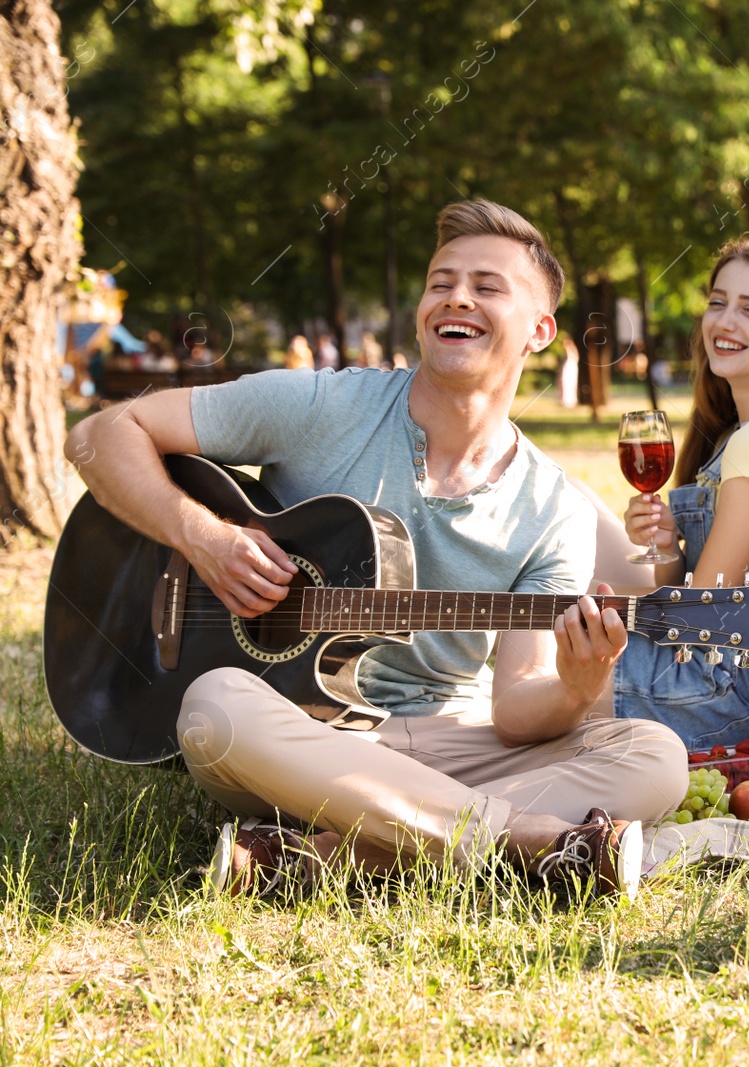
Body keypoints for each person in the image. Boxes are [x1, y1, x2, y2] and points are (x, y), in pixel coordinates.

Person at [65, 199, 688, 900]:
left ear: (540, 331)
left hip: (452, 741)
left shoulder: (553, 508)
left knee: (655, 758)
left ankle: (336, 854)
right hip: (297, 731)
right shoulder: (322, 406)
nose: (456, 297)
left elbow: (516, 710)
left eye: (487, 286)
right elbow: (99, 434)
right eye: (441, 281)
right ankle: (531, 842)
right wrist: (203, 536)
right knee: (215, 706)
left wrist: (578, 687)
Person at [589, 236, 749, 747]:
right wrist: (665, 546)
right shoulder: (740, 433)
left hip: (714, 689)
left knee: (543, 674)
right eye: (717, 302)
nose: (724, 322)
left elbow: (698, 616)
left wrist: (606, 629)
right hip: (718, 678)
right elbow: (691, 586)